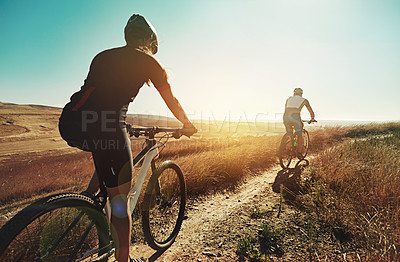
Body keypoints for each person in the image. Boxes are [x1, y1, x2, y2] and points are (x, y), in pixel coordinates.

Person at [58, 14, 196, 262]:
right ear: (149, 40)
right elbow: (171, 101)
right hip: (107, 125)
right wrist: (186, 124)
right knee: (120, 203)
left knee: (106, 156)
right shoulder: (150, 63)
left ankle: (89, 200)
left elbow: (98, 96)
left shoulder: (102, 56)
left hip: (71, 121)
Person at [283, 87, 315, 156]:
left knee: (289, 133)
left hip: (286, 117)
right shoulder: (305, 100)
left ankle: (286, 148)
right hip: (295, 118)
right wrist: (312, 119)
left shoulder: (288, 99)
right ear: (301, 94)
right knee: (299, 134)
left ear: (294, 94)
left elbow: (286, 109)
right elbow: (311, 112)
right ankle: (299, 153)